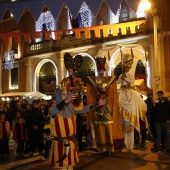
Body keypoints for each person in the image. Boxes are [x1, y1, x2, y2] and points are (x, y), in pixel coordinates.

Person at [49, 85, 108, 170]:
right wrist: (65, 101)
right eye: (63, 94)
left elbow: (85, 109)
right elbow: (53, 112)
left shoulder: (71, 107)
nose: (66, 95)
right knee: (61, 167)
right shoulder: (52, 107)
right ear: (58, 96)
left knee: (70, 167)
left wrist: (98, 104)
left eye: (66, 93)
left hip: (71, 143)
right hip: (59, 145)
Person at [86, 57, 124, 153]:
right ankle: (101, 147)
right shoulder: (95, 80)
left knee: (108, 127)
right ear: (98, 70)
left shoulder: (109, 79)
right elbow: (88, 79)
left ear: (105, 70)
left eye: (103, 70)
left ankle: (110, 146)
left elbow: (114, 80)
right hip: (99, 107)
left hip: (106, 107)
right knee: (100, 127)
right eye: (100, 70)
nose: (101, 71)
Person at [116, 52, 147, 151]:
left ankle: (131, 144)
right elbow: (117, 83)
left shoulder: (130, 75)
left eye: (128, 68)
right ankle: (125, 144)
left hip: (129, 94)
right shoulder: (121, 74)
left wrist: (126, 79)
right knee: (123, 124)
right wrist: (120, 79)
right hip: (122, 94)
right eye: (125, 68)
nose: (126, 69)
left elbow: (132, 82)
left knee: (130, 126)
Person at [60, 52, 85, 151]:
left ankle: (78, 142)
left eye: (71, 70)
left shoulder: (77, 79)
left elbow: (82, 88)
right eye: (69, 70)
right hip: (69, 104)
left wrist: (78, 87)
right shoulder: (65, 79)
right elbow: (63, 87)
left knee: (78, 124)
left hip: (77, 103)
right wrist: (71, 87)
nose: (70, 72)